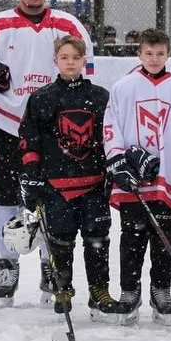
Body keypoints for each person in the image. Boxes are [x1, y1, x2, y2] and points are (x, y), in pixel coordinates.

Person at [0, 0, 95, 306]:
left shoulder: (68, 25)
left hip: (53, 130)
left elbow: (87, 70)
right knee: (6, 199)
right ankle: (9, 264)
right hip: (7, 125)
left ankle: (50, 266)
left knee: (51, 200)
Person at [18, 35, 122, 319]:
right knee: (60, 241)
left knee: (97, 240)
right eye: (64, 57)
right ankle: (62, 287)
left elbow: (111, 136)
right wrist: (32, 173)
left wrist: (112, 168)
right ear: (55, 61)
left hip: (93, 184)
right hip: (57, 186)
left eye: (76, 58)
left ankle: (99, 290)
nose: (70, 62)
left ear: (84, 60)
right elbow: (29, 138)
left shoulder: (100, 97)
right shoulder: (42, 98)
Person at [106, 29, 171, 325]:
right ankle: (129, 291)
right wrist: (118, 160)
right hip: (133, 180)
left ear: (168, 54)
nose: (154, 59)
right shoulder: (123, 87)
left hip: (168, 177)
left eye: (160, 54)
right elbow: (111, 127)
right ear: (138, 54)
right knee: (130, 237)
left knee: (164, 238)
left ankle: (161, 290)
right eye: (148, 53)